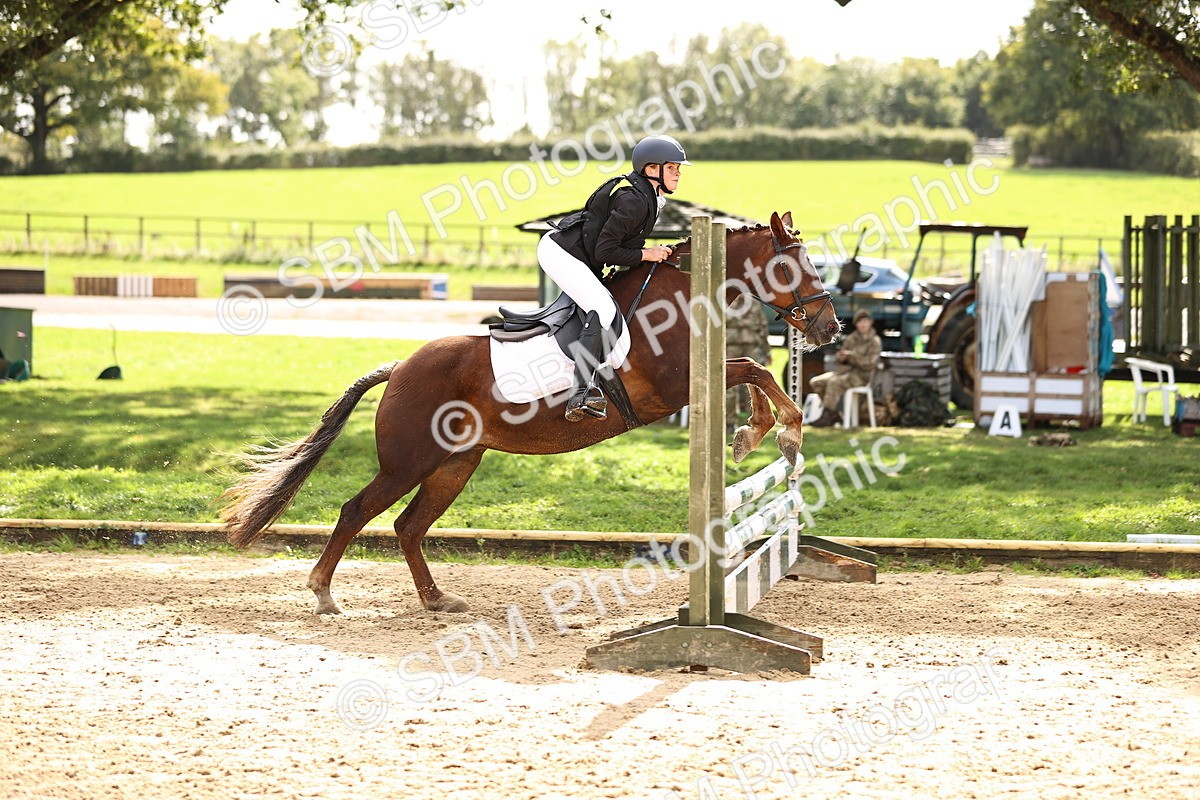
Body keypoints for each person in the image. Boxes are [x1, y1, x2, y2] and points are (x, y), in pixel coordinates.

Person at [540, 134, 691, 422]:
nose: (678, 174)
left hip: (580, 255)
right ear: (651, 170)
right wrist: (648, 254)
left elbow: (618, 245)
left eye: (678, 169)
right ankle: (580, 391)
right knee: (604, 309)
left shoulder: (647, 196)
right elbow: (607, 249)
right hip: (560, 252)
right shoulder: (635, 200)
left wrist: (646, 253)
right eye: (672, 168)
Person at [810, 308, 882, 427]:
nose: (862, 324)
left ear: (870, 322)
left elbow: (869, 364)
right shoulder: (851, 338)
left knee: (834, 383)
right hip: (844, 372)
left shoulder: (874, 341)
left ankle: (827, 416)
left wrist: (852, 357)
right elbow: (841, 358)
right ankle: (834, 414)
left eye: (865, 321)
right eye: (860, 322)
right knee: (816, 382)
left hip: (861, 376)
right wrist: (841, 357)